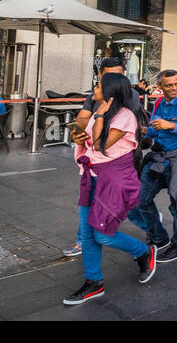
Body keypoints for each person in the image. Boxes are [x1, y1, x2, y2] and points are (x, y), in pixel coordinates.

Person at [64, 71, 155, 305]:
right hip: (91, 176)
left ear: (110, 91)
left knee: (103, 235)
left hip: (113, 181)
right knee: (87, 234)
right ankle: (94, 282)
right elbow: (90, 143)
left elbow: (100, 144)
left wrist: (100, 117)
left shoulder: (126, 117)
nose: (94, 89)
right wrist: (79, 138)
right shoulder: (98, 113)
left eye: (97, 86)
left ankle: (142, 251)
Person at [132, 69, 177, 264]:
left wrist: (171, 126)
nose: (174, 88)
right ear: (160, 87)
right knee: (141, 199)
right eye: (169, 85)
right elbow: (156, 130)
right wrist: (146, 131)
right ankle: (159, 236)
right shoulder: (158, 103)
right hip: (157, 157)